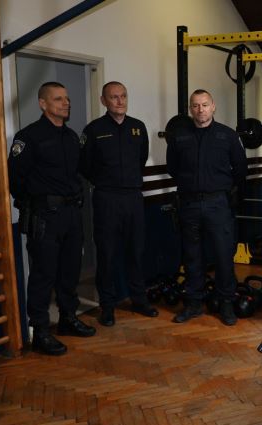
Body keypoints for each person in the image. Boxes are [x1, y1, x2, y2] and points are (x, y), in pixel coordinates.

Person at [8, 82, 96, 356]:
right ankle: (41, 331)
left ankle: (68, 318)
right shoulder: (28, 137)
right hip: (45, 216)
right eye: (58, 99)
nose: (65, 103)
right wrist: (35, 205)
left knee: (70, 269)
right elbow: (16, 180)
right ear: (43, 104)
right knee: (43, 274)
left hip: (71, 214)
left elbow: (78, 174)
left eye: (66, 98)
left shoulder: (70, 137)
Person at [166, 89, 247, 326]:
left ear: (213, 106)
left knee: (223, 255)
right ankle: (193, 303)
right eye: (195, 105)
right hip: (189, 204)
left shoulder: (227, 135)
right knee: (192, 256)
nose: (200, 110)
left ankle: (226, 303)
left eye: (204, 105)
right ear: (190, 109)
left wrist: (221, 188)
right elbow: (173, 168)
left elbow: (240, 168)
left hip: (218, 204)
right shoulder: (179, 136)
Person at [80, 81, 158, 326]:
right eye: (114, 97)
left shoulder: (138, 127)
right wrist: (106, 182)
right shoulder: (94, 130)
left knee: (136, 251)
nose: (120, 101)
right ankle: (108, 306)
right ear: (104, 101)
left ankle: (139, 300)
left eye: (123, 96)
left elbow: (141, 159)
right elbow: (85, 166)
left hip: (133, 198)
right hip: (107, 199)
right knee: (107, 254)